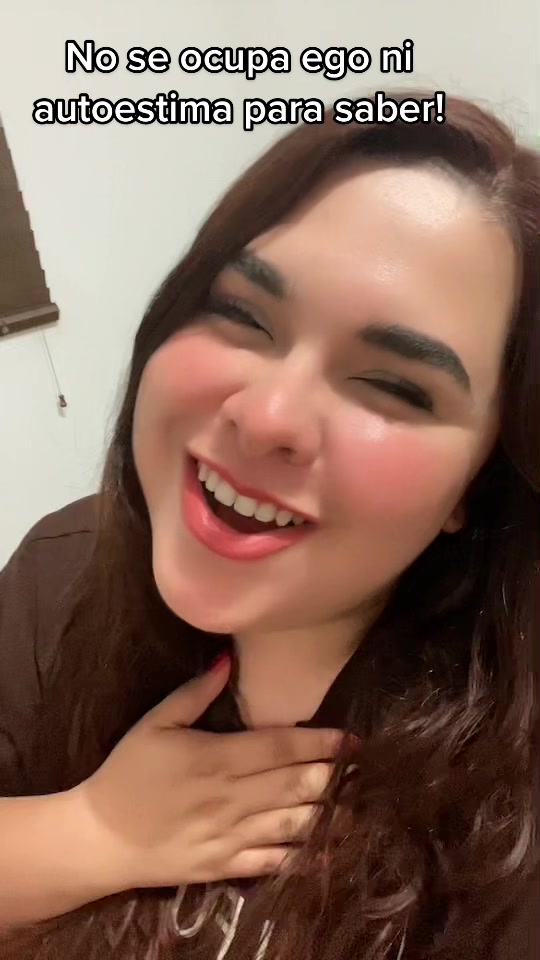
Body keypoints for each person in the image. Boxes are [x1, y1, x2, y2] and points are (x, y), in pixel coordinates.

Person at [0, 91, 538, 960]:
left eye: (395, 386)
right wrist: (91, 832)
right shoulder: (60, 577)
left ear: (479, 482)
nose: (265, 417)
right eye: (244, 315)